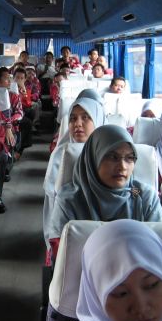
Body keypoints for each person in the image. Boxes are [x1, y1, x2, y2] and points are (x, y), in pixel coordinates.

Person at [47, 125, 162, 259]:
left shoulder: (144, 196)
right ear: (94, 158)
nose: (122, 167)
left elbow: (161, 247)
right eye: (113, 157)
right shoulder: (70, 200)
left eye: (129, 158)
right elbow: (62, 255)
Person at [43, 90, 106, 259]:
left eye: (86, 117)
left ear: (98, 120)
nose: (78, 124)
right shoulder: (60, 155)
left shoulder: (112, 156)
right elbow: (51, 205)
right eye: (73, 118)